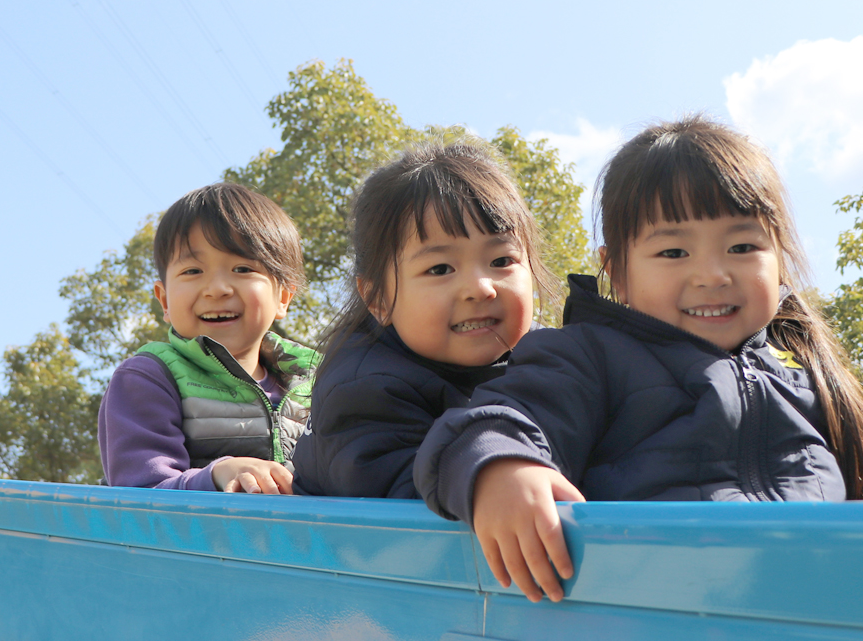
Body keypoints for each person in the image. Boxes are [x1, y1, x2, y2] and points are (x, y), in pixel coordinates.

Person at [414, 116, 863, 604]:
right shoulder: (589, 357)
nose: (712, 274)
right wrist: (500, 468)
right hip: (663, 607)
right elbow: (497, 419)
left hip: (815, 605)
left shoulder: (806, 376)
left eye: (742, 247)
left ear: (779, 258)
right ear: (617, 273)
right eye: (673, 252)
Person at [292, 140, 559, 498]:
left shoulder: (552, 359)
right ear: (378, 299)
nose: (481, 288)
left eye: (501, 261)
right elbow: (401, 489)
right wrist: (487, 477)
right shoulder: (364, 391)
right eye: (440, 269)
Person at [98, 182, 317, 494]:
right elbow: (141, 496)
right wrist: (217, 476)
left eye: (242, 268)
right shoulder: (148, 379)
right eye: (192, 271)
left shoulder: (320, 383)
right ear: (164, 300)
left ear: (283, 297)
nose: (217, 289)